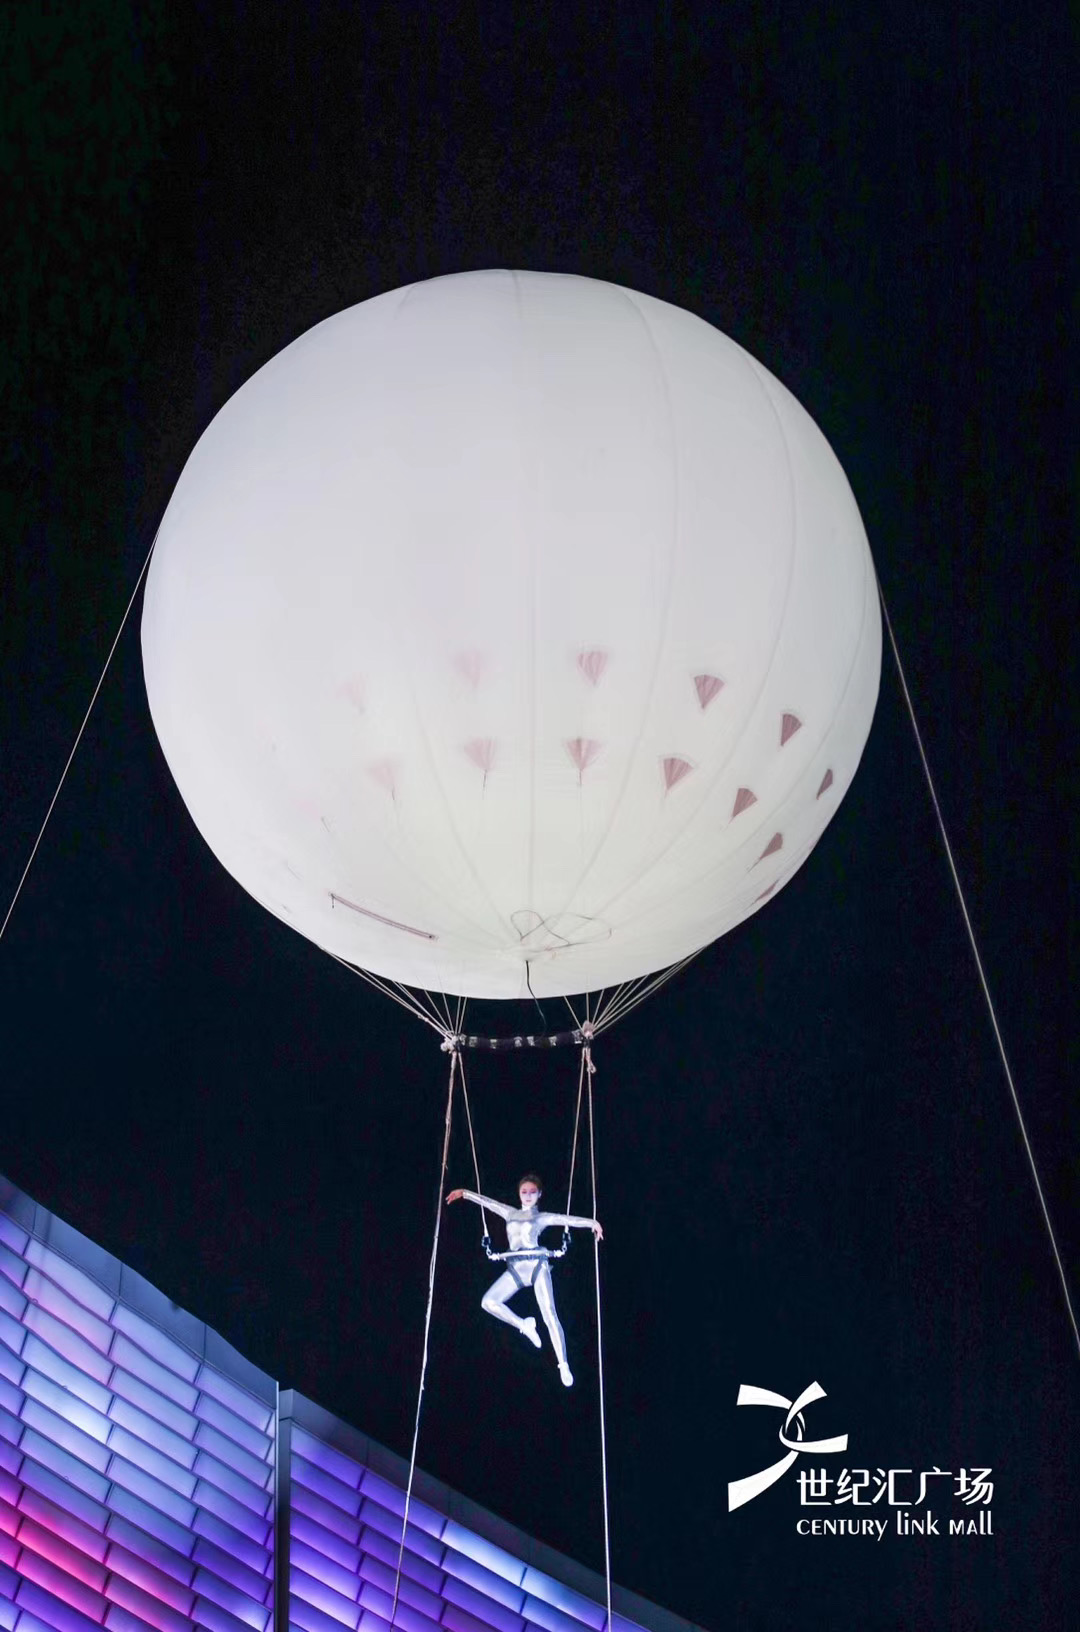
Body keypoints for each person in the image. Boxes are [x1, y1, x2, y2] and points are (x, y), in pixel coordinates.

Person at [446, 1174, 603, 1387]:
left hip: (537, 1266)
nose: (528, 1196)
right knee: (488, 1302)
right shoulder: (509, 1212)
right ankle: (524, 1325)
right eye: (524, 1192)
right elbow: (488, 1202)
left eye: (532, 1192)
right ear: (519, 1194)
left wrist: (592, 1223)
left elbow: (567, 1220)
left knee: (550, 1315)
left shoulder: (541, 1217)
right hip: (516, 1268)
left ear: (539, 1195)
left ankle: (563, 1364)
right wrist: (464, 1193)